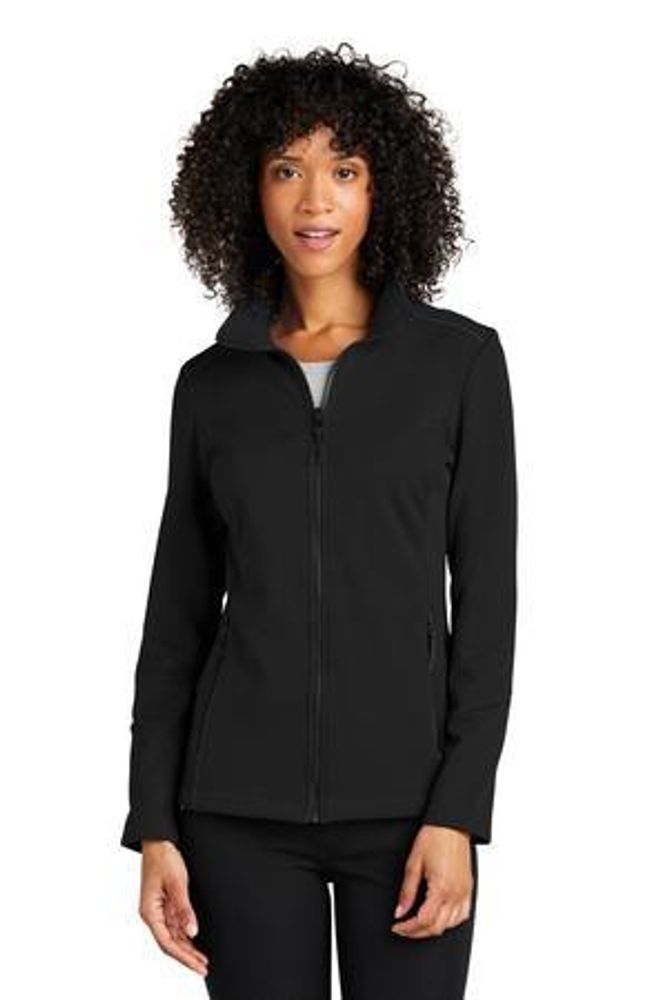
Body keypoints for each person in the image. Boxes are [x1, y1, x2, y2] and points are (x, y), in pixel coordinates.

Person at [120, 42, 518, 1000]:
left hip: (409, 812)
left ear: (384, 189)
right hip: (233, 812)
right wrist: (154, 823)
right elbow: (175, 620)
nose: (314, 200)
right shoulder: (211, 385)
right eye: (285, 169)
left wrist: (458, 812)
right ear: (246, 190)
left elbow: (487, 607)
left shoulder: (459, 364)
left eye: (344, 170)